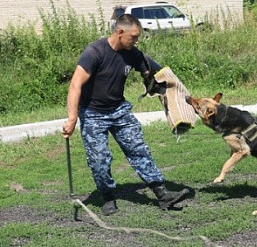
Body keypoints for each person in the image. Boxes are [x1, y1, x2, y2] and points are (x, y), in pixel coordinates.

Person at [61, 14, 190, 215]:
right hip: (93, 113)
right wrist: (72, 117)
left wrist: (176, 93)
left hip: (119, 110)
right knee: (99, 159)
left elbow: (158, 72)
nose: (136, 40)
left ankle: (163, 194)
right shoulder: (95, 52)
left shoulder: (133, 53)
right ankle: (108, 197)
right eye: (134, 37)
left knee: (139, 149)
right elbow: (75, 84)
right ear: (120, 32)